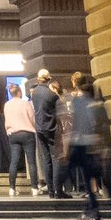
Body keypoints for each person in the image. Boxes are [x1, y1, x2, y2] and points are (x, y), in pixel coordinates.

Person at [68, 73, 111, 220]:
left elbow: (95, 128)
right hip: (97, 150)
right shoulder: (99, 106)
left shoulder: (90, 108)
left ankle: (95, 215)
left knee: (89, 181)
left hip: (91, 150)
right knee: (104, 183)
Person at [31, 69, 64, 198]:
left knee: (46, 160)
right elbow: (58, 112)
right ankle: (58, 190)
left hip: (39, 128)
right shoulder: (52, 95)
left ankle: (50, 191)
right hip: (52, 129)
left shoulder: (34, 93)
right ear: (48, 79)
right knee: (55, 159)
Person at [3, 82, 39, 196]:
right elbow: (32, 117)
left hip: (13, 134)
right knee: (31, 161)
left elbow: (6, 120)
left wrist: (8, 131)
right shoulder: (26, 103)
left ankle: (12, 188)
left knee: (14, 162)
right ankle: (34, 188)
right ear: (19, 92)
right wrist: (33, 128)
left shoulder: (7, 105)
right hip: (27, 133)